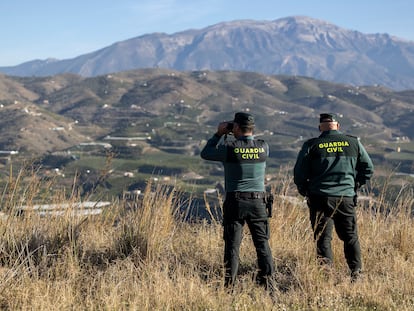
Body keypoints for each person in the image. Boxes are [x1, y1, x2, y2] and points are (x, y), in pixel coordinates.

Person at [293, 113, 374, 281]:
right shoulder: (353, 143)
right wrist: (354, 185)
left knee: (323, 238)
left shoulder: (312, 145)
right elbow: (368, 169)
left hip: (319, 198)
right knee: (350, 237)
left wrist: (306, 191)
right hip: (346, 197)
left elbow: (299, 173)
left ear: (320, 127)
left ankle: (326, 277)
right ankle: (356, 274)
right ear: (338, 126)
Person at [200, 112, 274, 289]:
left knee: (232, 246)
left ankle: (229, 287)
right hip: (258, 202)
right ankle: (269, 285)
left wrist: (219, 134)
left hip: (236, 202)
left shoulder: (230, 149)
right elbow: (252, 144)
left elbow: (206, 153)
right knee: (262, 244)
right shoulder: (264, 147)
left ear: (237, 128)